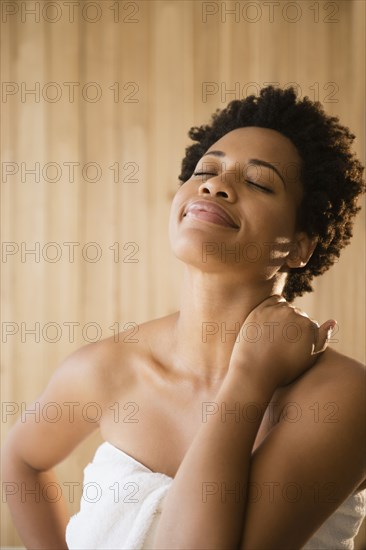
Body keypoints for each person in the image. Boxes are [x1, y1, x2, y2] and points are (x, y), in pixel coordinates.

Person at [2, 86, 365, 550]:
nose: (215, 185)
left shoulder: (343, 399)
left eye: (258, 182)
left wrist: (249, 379)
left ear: (299, 247)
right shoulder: (110, 368)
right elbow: (20, 460)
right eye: (206, 170)